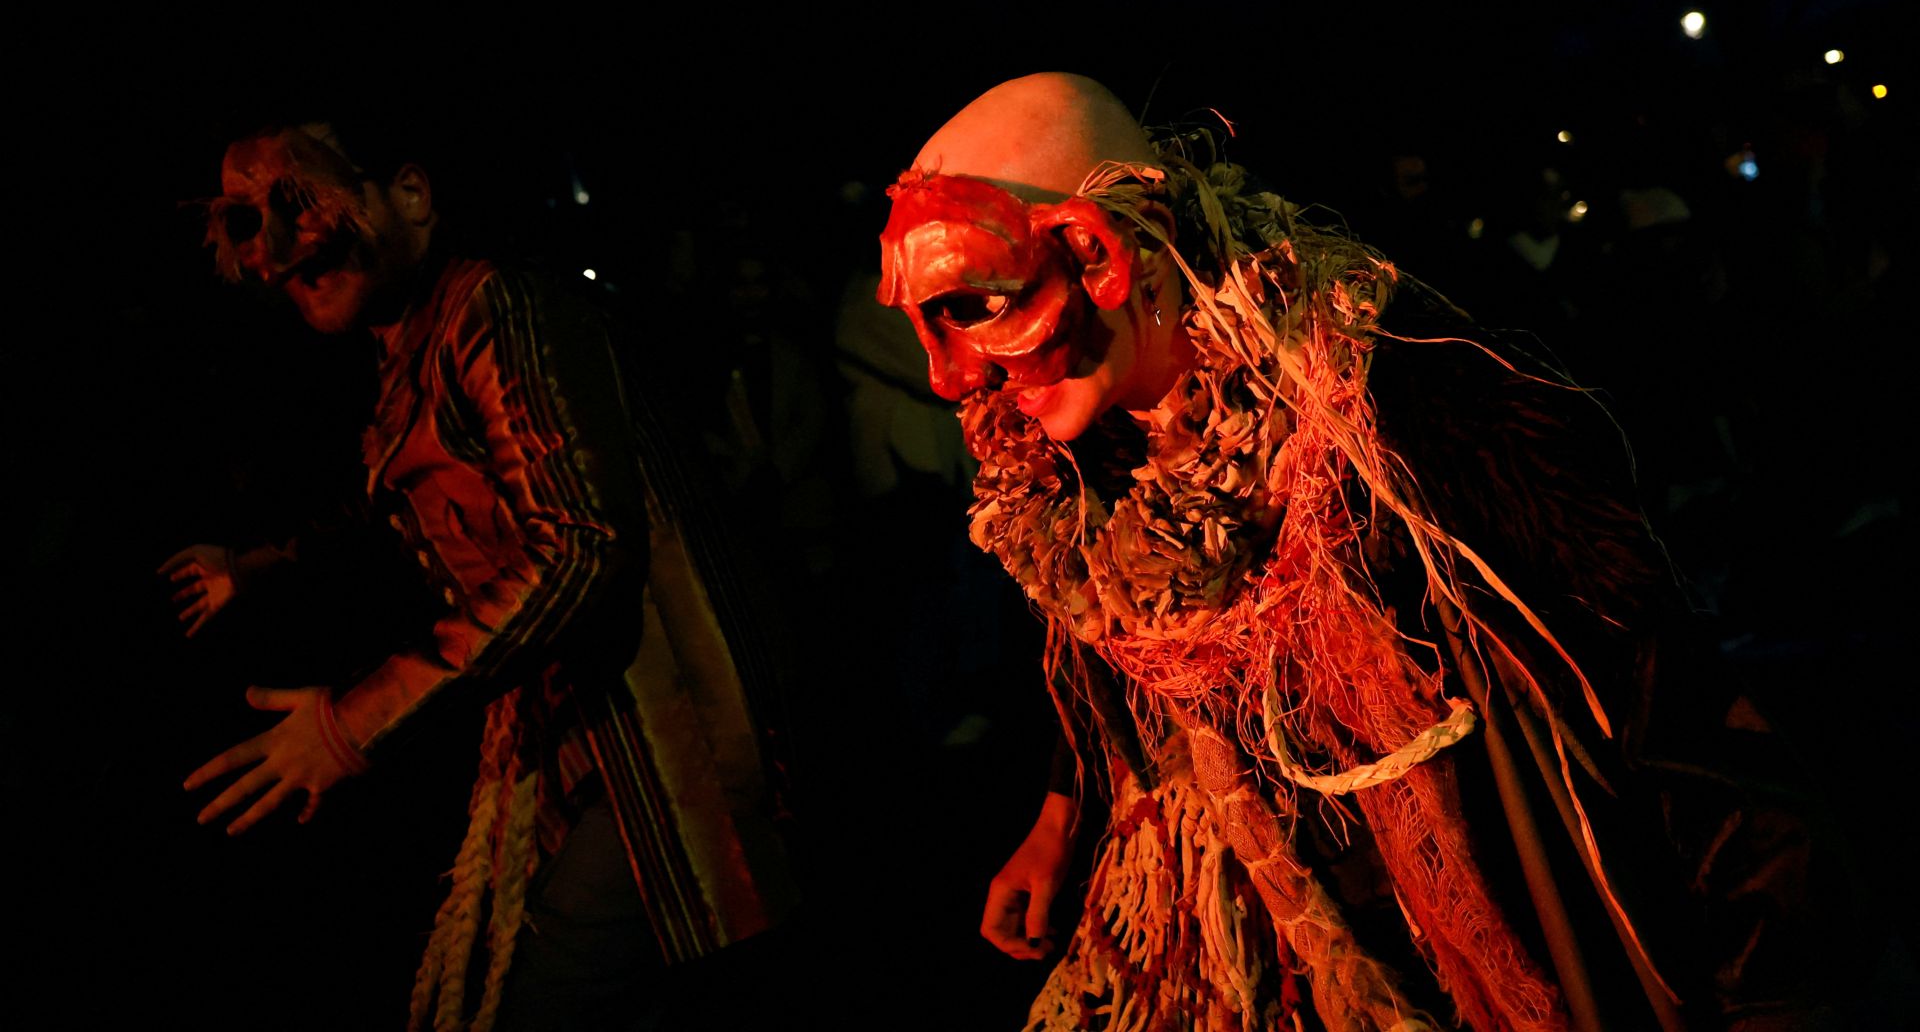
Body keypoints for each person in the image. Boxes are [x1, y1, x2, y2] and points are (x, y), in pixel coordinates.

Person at [876, 73, 1844, 1030]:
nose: (951, 377)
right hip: (1269, 938)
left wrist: (1771, 988)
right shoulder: (1078, 463)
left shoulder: (1402, 416)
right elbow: (1122, 652)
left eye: (975, 306)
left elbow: (1667, 708)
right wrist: (1064, 811)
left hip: (1468, 943)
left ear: (1096, 255)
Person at [163, 122, 795, 1031]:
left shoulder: (498, 308)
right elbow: (399, 508)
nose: (271, 246)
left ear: (409, 197)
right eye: (241, 219)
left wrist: (351, 724)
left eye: (299, 201)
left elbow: (576, 546)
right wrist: (255, 568)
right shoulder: (414, 347)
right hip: (590, 739)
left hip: (669, 738)